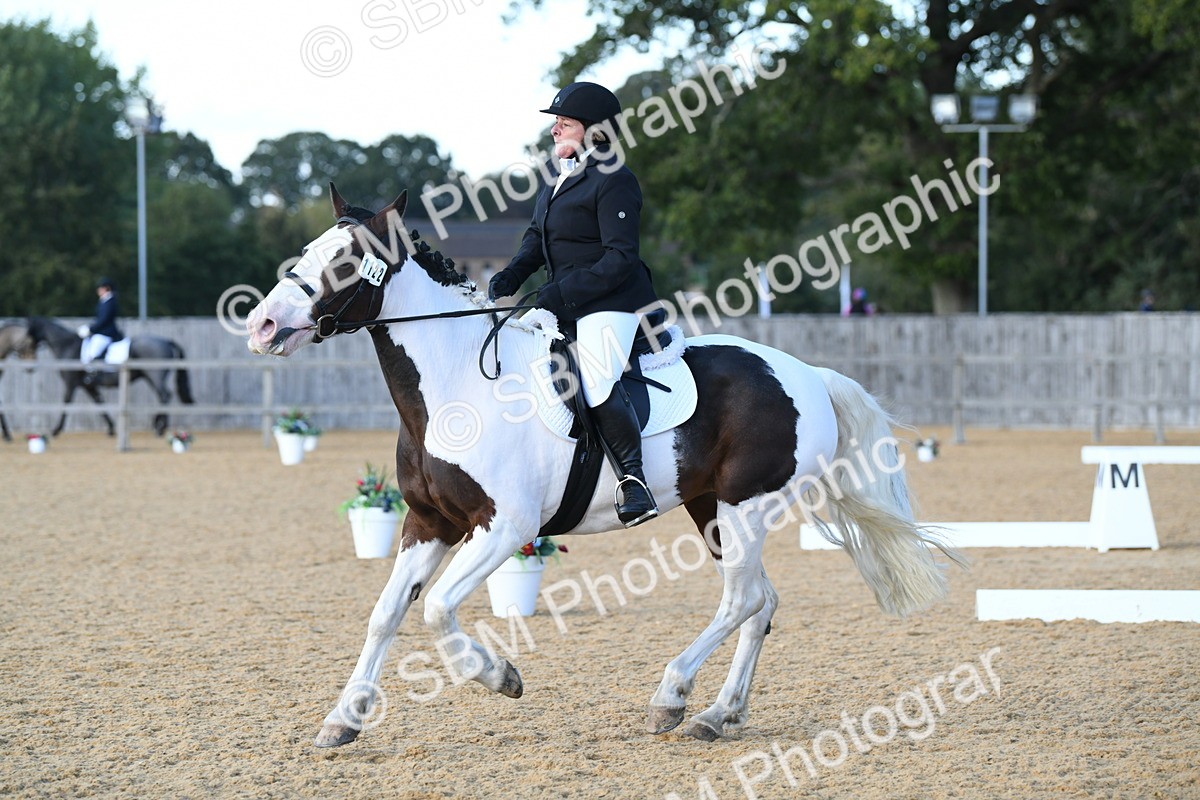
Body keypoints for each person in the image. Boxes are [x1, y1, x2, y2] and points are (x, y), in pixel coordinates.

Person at [488, 81, 660, 527]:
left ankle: (633, 482)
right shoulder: (560, 178)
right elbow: (535, 239)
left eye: (563, 123)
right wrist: (511, 275)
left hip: (613, 304)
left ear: (592, 129)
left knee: (598, 375)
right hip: (564, 300)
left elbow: (620, 257)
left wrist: (561, 292)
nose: (554, 131)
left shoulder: (615, 179)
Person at [79, 277, 123, 366]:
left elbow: (104, 320)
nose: (98, 290)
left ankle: (93, 372)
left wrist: (90, 329)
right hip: (101, 332)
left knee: (92, 353)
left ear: (107, 288)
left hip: (106, 333)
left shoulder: (110, 302)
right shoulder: (104, 301)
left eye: (101, 288)